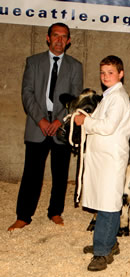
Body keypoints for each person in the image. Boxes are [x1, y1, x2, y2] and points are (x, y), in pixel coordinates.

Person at [8, 22, 83, 231]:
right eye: (56, 35)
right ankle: (23, 216)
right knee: (31, 173)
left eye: (64, 36)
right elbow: (27, 93)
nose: (59, 40)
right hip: (36, 125)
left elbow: (76, 98)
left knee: (60, 174)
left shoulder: (75, 66)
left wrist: (59, 120)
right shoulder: (33, 62)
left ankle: (55, 212)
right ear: (48, 38)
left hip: (61, 127)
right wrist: (40, 119)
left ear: (68, 41)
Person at [73, 55, 130, 271]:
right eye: (103, 72)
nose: (106, 77)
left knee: (108, 204)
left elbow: (107, 127)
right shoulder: (109, 96)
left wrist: (84, 121)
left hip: (110, 158)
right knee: (107, 200)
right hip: (103, 157)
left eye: (111, 73)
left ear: (121, 74)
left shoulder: (117, 98)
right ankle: (109, 243)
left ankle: (102, 252)